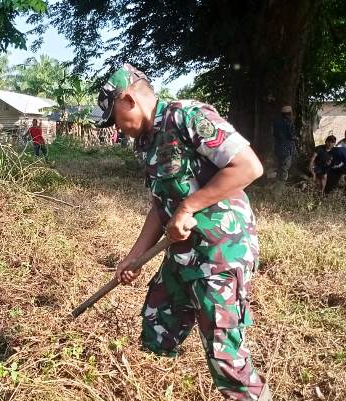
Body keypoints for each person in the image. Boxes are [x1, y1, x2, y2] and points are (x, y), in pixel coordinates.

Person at [96, 64, 270, 401]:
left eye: (115, 119)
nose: (116, 128)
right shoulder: (147, 142)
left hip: (220, 249)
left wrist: (189, 207)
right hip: (184, 250)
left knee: (224, 354)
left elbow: (249, 167)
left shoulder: (187, 116)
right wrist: (134, 257)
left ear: (129, 100)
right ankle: (161, 389)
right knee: (157, 320)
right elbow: (160, 206)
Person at [272, 105, 295, 181]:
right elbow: (291, 135)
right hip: (287, 148)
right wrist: (295, 138)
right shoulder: (289, 123)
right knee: (285, 167)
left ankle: (277, 180)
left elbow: (274, 134)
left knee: (279, 165)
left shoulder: (276, 122)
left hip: (278, 147)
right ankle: (281, 183)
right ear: (289, 114)